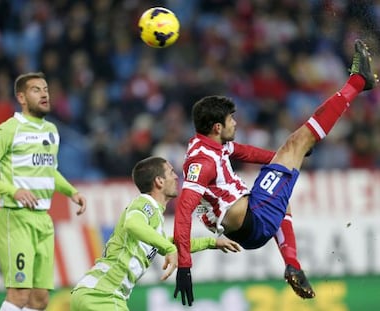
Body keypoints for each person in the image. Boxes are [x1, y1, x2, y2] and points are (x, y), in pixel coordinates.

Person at [173, 39, 378, 306]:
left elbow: (243, 152)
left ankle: (292, 264)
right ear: (216, 127)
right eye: (230, 120)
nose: (235, 122)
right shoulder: (204, 161)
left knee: (284, 191)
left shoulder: (206, 142)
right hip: (252, 218)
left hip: (249, 225)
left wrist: (282, 157)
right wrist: (185, 266)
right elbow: (183, 208)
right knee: (298, 140)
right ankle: (358, 82)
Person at [0, 72, 87, 311]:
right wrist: (13, 191)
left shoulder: (51, 130)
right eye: (36, 89)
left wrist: (71, 192)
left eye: (46, 89)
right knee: (19, 294)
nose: (44, 93)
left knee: (40, 299)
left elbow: (49, 170)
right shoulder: (8, 130)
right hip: (16, 218)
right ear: (21, 97)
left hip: (43, 220)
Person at [70, 156, 241, 311]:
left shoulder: (153, 216)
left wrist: (212, 243)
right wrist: (168, 249)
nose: (176, 177)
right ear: (159, 181)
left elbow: (170, 243)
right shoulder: (146, 203)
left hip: (93, 292)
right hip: (102, 295)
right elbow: (132, 223)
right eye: (171, 172)